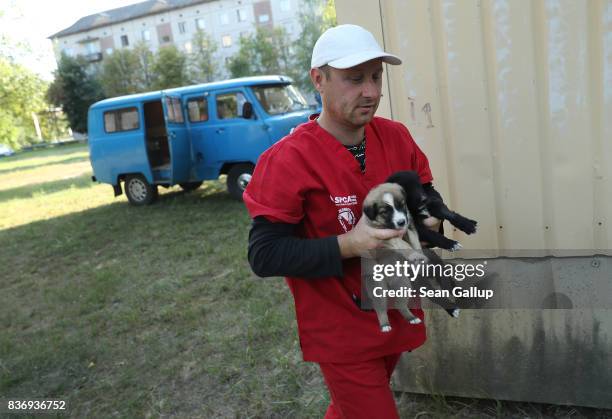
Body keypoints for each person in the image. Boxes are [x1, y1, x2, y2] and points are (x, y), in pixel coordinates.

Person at [244, 24, 442, 419]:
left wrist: (430, 220)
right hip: (339, 326)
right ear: (319, 80)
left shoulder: (396, 138)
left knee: (351, 408)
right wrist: (349, 244)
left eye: (375, 76)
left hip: (389, 309)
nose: (371, 91)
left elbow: (428, 196)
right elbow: (263, 255)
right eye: (354, 79)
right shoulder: (288, 160)